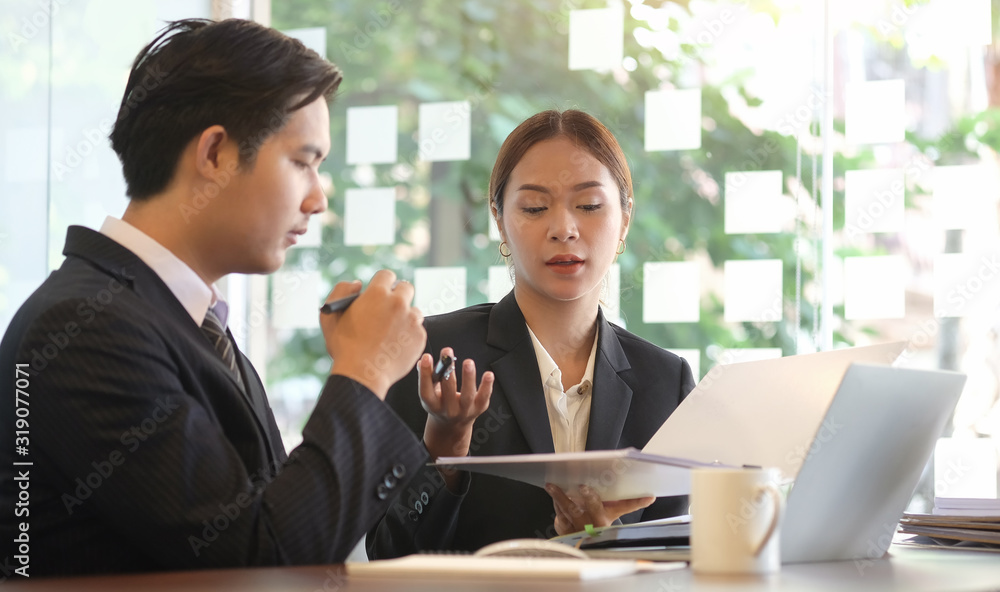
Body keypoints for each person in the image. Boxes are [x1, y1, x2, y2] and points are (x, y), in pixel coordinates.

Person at [0, 19, 428, 577]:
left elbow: (283, 521)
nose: (318, 200)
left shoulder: (192, 323)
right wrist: (365, 370)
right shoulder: (85, 328)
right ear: (216, 154)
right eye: (303, 162)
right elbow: (260, 560)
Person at [368, 110, 695, 558]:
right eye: (535, 208)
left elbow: (676, 563)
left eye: (589, 205)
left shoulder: (666, 383)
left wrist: (602, 542)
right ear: (500, 220)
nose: (563, 229)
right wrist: (442, 456)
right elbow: (388, 553)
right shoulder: (433, 356)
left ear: (624, 219)